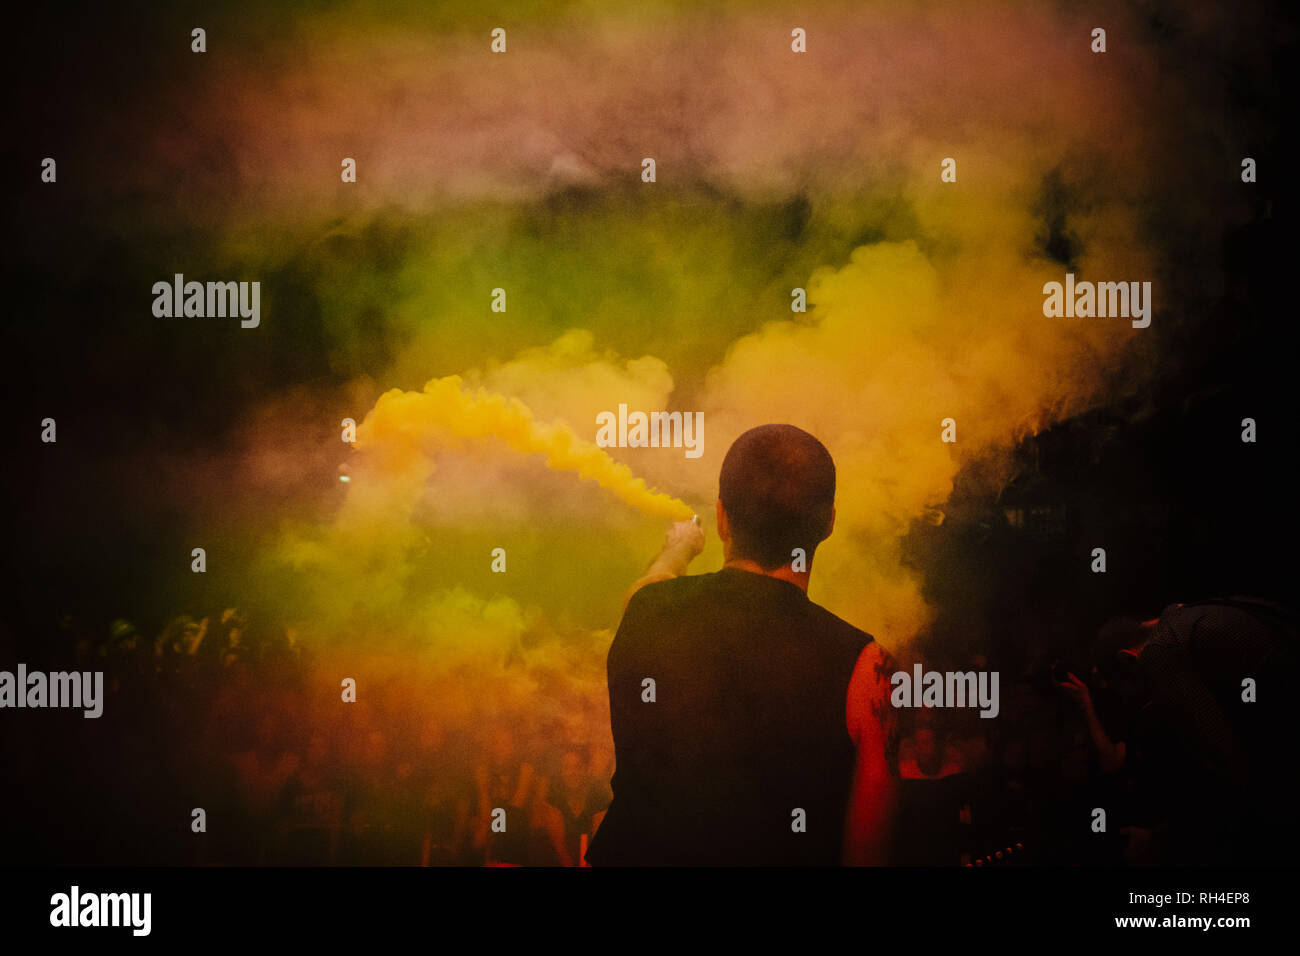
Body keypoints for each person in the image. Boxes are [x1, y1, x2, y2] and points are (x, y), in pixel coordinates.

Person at [586, 424, 899, 866]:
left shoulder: (646, 609)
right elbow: (868, 857)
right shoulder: (869, 669)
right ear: (828, 521)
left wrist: (679, 549)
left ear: (720, 517)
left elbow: (651, 583)